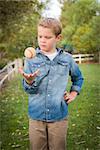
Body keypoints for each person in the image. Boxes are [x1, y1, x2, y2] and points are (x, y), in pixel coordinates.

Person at [20, 18, 84, 150]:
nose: (42, 40)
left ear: (58, 38)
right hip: (36, 116)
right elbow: (29, 90)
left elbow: (78, 78)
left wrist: (73, 93)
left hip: (58, 115)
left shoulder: (67, 59)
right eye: (40, 36)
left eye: (47, 37)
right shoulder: (32, 59)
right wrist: (29, 81)